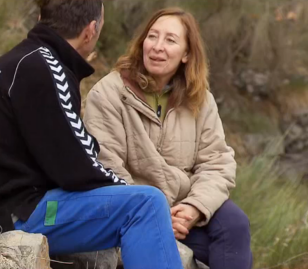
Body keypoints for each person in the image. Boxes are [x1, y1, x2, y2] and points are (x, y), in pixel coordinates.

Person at [0, 0, 183, 268]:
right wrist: (129, 192)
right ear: (90, 31)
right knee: (147, 204)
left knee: (144, 204)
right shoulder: (47, 70)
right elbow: (78, 167)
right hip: (19, 214)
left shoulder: (16, 61)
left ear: (43, 16)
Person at [84, 7, 253, 269]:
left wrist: (193, 208)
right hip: (134, 208)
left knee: (234, 224)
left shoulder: (200, 99)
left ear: (186, 54)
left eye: (170, 40)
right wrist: (156, 215)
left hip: (183, 209)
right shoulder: (109, 93)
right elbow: (107, 166)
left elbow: (217, 162)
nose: (157, 47)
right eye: (152, 37)